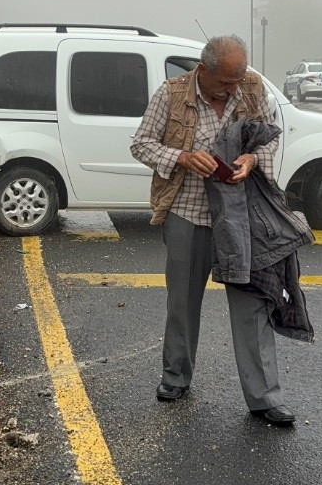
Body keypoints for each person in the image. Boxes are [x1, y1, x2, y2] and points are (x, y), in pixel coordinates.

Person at [129, 34, 296, 426]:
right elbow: (140, 144)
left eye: (237, 80)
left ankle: (264, 398)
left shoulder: (252, 88)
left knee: (253, 305)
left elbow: (271, 137)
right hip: (188, 213)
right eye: (225, 82)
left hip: (244, 218)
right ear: (202, 71)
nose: (233, 89)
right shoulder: (171, 93)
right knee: (183, 303)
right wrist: (182, 157)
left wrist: (252, 159)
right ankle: (175, 378)